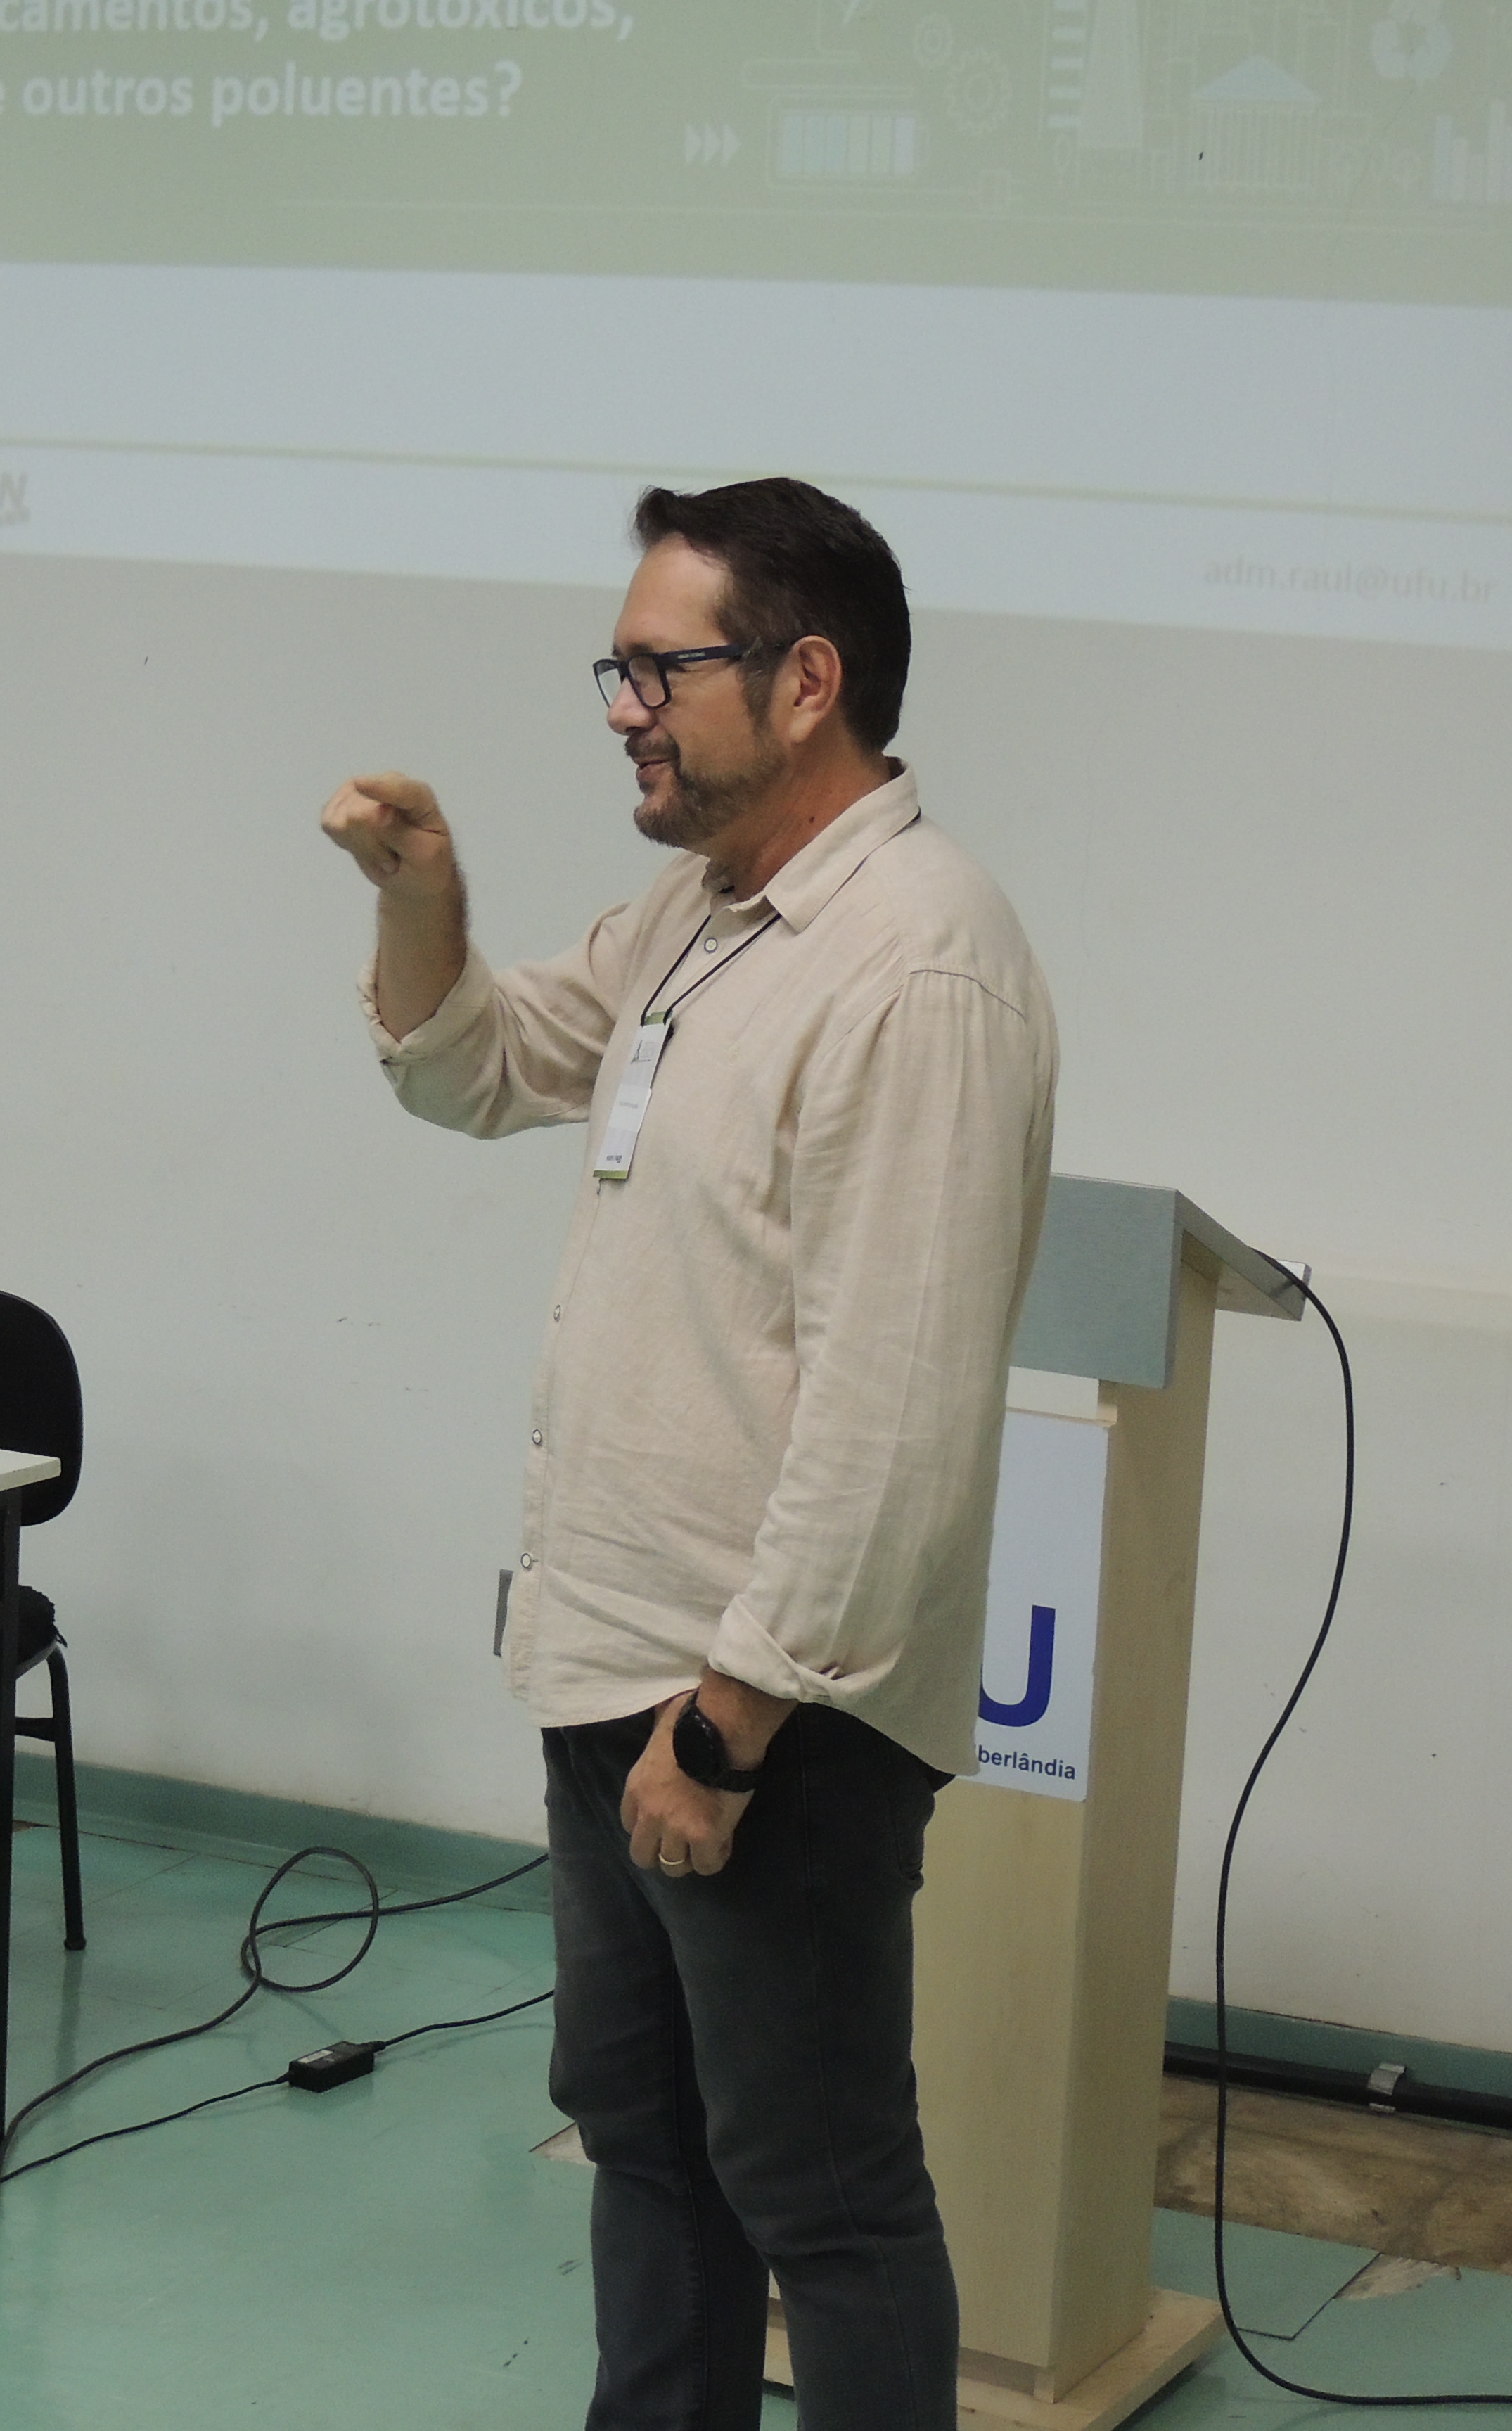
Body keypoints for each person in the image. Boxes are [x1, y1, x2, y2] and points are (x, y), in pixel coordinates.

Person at [317, 478, 1057, 2431]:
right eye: (618, 670)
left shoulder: (920, 963)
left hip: (764, 1713)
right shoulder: (701, 919)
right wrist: (418, 892)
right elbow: (478, 1066)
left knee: (822, 2189)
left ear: (807, 682)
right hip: (610, 1659)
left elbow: (893, 1414)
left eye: (662, 670)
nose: (625, 709)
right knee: (646, 2144)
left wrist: (727, 1731)